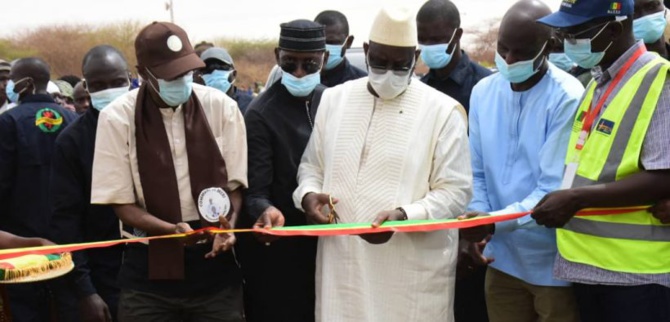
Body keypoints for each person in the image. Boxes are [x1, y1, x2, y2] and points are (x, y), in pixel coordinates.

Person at [292, 6, 472, 321]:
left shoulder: (443, 111)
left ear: (415, 57)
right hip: (341, 265)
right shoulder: (334, 100)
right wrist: (308, 195)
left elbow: (456, 192)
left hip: (408, 272)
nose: (389, 72)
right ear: (366, 50)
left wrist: (404, 216)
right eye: (380, 62)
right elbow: (312, 167)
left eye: (400, 65)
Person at [90, 22, 247, 321]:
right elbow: (120, 203)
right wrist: (168, 231)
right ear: (143, 73)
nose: (181, 80)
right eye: (170, 75)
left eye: (186, 72)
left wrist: (230, 224)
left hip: (214, 269)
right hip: (148, 274)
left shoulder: (222, 108)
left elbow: (235, 186)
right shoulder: (116, 118)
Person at [534, 1, 670, 321]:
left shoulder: (658, 80)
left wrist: (576, 199)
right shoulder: (597, 82)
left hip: (636, 276)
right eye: (562, 32)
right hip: (587, 266)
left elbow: (665, 176)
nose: (567, 41)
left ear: (613, 29)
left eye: (576, 33)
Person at [459, 1, 584, 322]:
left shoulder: (568, 97)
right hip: (500, 259)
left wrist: (490, 222)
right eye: (503, 49)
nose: (509, 59)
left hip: (552, 263)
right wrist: (480, 223)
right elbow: (477, 171)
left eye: (522, 52)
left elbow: (551, 188)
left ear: (549, 47)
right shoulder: (483, 91)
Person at [237, 19, 327, 322]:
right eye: (290, 64)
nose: (299, 73)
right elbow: (256, 191)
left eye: (309, 64)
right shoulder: (261, 113)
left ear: (324, 58)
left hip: (333, 243)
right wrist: (265, 210)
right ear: (278, 56)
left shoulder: (334, 102)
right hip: (283, 249)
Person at [50, 45, 132, 322]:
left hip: (155, 275)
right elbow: (66, 222)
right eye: (98, 85)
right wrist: (85, 291)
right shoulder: (72, 142)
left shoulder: (151, 126)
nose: (109, 90)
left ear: (130, 77)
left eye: (117, 83)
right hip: (103, 275)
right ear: (86, 85)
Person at [0, 57, 78, 322]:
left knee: (27, 311)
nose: (9, 85)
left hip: (21, 242)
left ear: (27, 83)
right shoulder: (72, 118)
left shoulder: (8, 123)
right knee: (68, 307)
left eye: (13, 80)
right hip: (70, 238)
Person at [417, 0, 492, 115]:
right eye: (422, 39)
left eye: (436, 40)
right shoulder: (420, 88)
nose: (428, 46)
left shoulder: (486, 86)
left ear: (457, 35)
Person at [314, 10, 367, 87]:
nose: (325, 49)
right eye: (320, 42)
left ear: (349, 42)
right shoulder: (298, 81)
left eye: (332, 42)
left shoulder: (362, 83)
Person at [199, 47, 253, 113]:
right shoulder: (196, 107)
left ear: (234, 74)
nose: (215, 72)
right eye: (208, 70)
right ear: (200, 76)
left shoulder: (249, 105)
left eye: (221, 68)